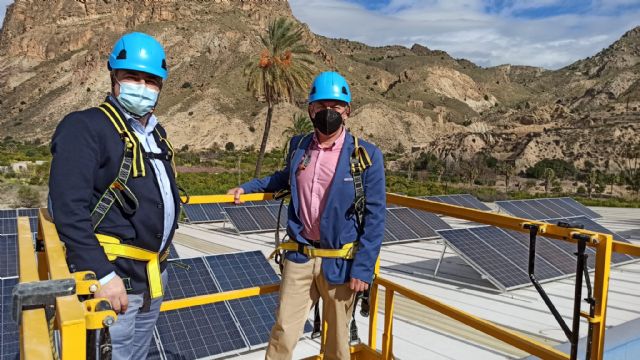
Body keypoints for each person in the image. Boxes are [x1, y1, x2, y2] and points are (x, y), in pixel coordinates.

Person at [228, 71, 386, 360]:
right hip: (300, 258)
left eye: (336, 107)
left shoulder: (366, 155)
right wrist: (247, 188)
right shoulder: (299, 146)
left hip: (341, 263)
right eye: (321, 106)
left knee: (338, 343)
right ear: (310, 109)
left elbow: (375, 216)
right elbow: (281, 179)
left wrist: (364, 268)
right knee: (284, 332)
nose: (328, 112)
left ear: (347, 112)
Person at [48, 32, 180, 360]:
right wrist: (104, 275)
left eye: (150, 80)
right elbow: (67, 209)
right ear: (113, 77)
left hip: (151, 278)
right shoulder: (85, 127)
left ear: (161, 86)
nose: (142, 86)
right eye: (132, 77)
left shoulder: (155, 134)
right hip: (113, 279)